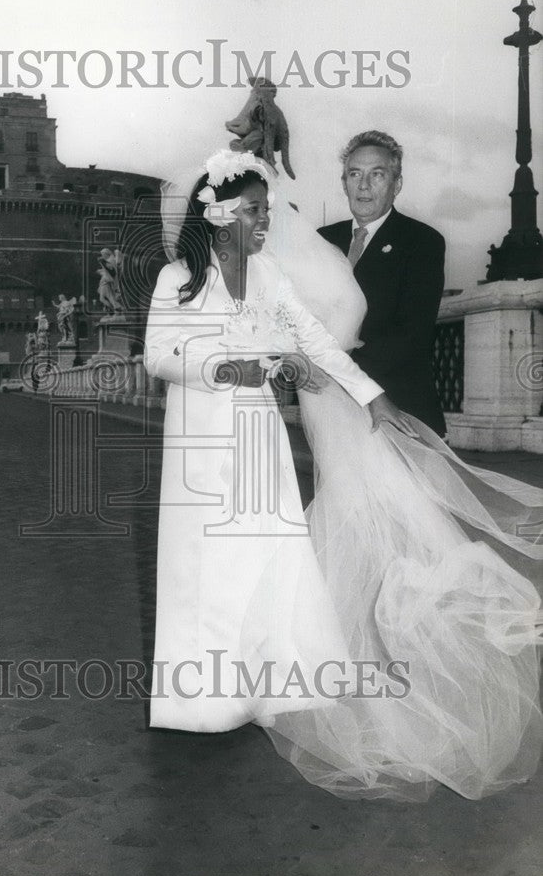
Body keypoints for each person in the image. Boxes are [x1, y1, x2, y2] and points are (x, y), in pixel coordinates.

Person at [145, 148, 542, 802]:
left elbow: (316, 342)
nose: (265, 221)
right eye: (253, 211)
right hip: (200, 439)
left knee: (269, 555)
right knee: (207, 563)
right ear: (218, 215)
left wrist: (371, 397)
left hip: (258, 436)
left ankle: (267, 691)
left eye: (267, 210)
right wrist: (225, 367)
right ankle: (206, 699)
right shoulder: (177, 278)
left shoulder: (269, 274)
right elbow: (162, 356)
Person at [318, 131, 446, 435]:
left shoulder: (422, 242)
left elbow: (412, 333)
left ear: (396, 184)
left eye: (377, 174)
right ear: (344, 183)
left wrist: (336, 369)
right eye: (354, 174)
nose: (363, 185)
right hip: (330, 410)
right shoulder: (322, 240)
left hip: (397, 408)